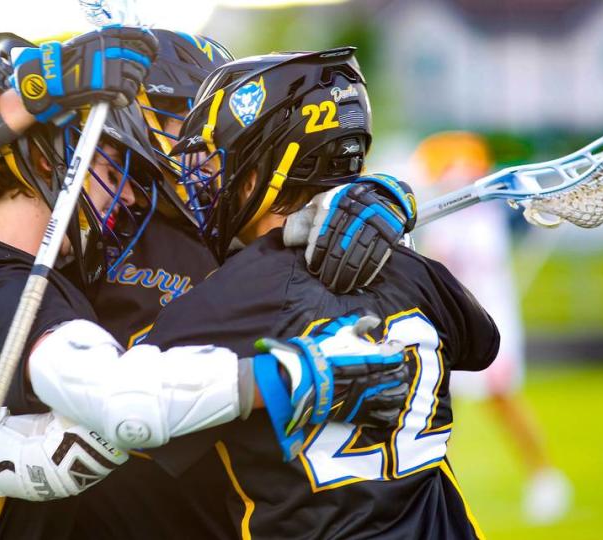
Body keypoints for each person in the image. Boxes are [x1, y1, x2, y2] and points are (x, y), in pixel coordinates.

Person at [0, 28, 410, 539]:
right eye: (179, 117)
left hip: (208, 509)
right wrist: (41, 86)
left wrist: (370, 196)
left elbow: (327, 254)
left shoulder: (211, 219)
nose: (203, 140)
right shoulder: (74, 226)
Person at [55, 47, 498, 538]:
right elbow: (482, 343)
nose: (206, 180)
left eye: (220, 160)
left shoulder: (231, 297)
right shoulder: (416, 271)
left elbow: (127, 416)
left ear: (266, 161)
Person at [412, 131, 572, 525]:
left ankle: (545, 477)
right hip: (454, 325)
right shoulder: (453, 218)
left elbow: (458, 263)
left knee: (502, 402)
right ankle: (428, 489)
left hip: (488, 323)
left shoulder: (480, 218)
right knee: (433, 407)